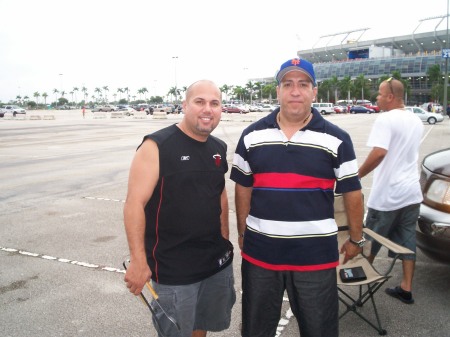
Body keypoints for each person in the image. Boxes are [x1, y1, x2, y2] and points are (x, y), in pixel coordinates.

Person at [230, 58, 364, 337]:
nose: (295, 91)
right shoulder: (251, 135)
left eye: (303, 84)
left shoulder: (337, 138)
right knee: (256, 329)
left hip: (315, 256)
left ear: (314, 92)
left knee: (319, 330)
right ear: (277, 91)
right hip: (261, 255)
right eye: (287, 84)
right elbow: (242, 186)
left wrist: (355, 238)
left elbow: (352, 191)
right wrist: (243, 231)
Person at [123, 80, 236, 337]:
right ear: (185, 106)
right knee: (176, 332)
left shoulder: (218, 148)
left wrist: (225, 239)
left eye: (214, 103)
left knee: (200, 327)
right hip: (173, 267)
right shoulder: (156, 146)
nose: (207, 109)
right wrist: (139, 260)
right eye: (200, 102)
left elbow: (219, 194)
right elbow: (134, 204)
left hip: (212, 261)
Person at [358, 77, 423, 304]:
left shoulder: (386, 119)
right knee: (407, 240)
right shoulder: (415, 119)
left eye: (380, 93)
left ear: (390, 97)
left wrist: (357, 175)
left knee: (370, 240)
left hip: (387, 195)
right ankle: (406, 288)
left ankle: (361, 286)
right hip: (411, 193)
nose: (377, 97)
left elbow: (379, 153)